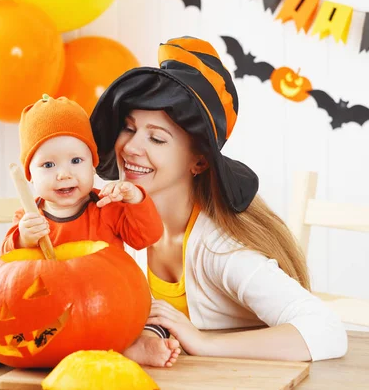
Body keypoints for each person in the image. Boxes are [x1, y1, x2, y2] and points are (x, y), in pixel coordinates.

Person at [89, 36, 348, 365]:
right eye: (129, 128)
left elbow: (325, 331)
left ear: (199, 162)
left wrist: (202, 343)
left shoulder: (219, 248)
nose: (131, 147)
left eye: (156, 137)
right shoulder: (121, 226)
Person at [0, 94, 180, 371]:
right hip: (43, 316)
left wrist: (135, 200)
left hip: (105, 312)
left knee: (154, 319)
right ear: (30, 175)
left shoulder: (107, 206)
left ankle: (140, 345)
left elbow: (148, 236)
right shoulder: (28, 216)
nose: (63, 174)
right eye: (48, 165)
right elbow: (6, 270)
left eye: (76, 161)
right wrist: (22, 237)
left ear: (93, 163)